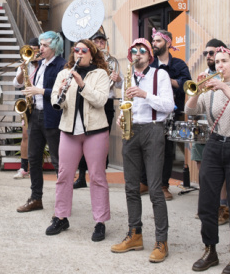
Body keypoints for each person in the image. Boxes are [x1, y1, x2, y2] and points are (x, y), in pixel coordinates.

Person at [186, 47, 230, 274]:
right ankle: (210, 250)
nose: (219, 66)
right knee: (207, 202)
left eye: (224, 61)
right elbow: (190, 110)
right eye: (217, 62)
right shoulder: (210, 92)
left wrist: (224, 87)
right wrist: (197, 91)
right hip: (214, 144)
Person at [110, 38, 175, 262]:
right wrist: (121, 116)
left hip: (154, 131)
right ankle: (134, 234)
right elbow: (127, 106)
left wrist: (144, 94)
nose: (137, 54)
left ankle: (161, 241)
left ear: (149, 55)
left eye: (142, 51)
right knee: (130, 187)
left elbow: (168, 106)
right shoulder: (129, 78)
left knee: (156, 189)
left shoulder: (160, 75)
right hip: (131, 131)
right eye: (134, 51)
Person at [46, 39, 112, 241]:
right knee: (64, 175)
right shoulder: (63, 74)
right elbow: (55, 100)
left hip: (96, 131)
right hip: (68, 131)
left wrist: (81, 84)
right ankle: (61, 217)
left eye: (84, 51)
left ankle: (100, 222)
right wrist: (62, 93)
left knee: (97, 176)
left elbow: (101, 100)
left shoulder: (100, 74)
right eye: (76, 50)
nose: (79, 53)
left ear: (92, 54)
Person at [17, 31, 66, 213]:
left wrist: (40, 91)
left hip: (52, 117)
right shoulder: (40, 64)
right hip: (35, 115)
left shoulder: (62, 65)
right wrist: (29, 93)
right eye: (41, 45)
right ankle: (36, 198)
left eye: (44, 45)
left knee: (57, 161)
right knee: (34, 159)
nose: (40, 48)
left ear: (54, 47)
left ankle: (62, 202)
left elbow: (62, 92)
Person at [146, 28, 191, 201]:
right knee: (149, 149)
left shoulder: (179, 64)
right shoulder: (150, 65)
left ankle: (164, 185)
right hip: (152, 113)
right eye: (154, 41)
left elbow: (187, 83)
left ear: (168, 43)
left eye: (158, 41)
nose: (154, 44)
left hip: (172, 113)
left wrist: (168, 80)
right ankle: (146, 182)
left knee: (166, 151)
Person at [195, 38, 230, 225]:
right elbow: (195, 104)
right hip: (202, 126)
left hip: (222, 130)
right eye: (207, 54)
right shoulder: (203, 75)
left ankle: (223, 207)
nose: (209, 57)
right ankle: (208, 204)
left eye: (212, 53)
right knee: (202, 167)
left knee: (222, 171)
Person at [74, 31, 121, 189]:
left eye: (102, 41)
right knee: (82, 135)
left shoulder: (112, 61)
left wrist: (118, 79)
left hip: (106, 101)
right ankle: (81, 175)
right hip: (87, 98)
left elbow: (120, 85)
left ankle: (100, 174)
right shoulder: (87, 62)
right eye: (97, 41)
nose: (100, 44)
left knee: (102, 139)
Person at [12, 37, 40, 179]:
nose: (34, 53)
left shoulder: (43, 64)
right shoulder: (25, 64)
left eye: (36, 50)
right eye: (31, 50)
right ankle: (23, 168)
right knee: (25, 135)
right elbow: (16, 84)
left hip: (41, 102)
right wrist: (22, 70)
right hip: (28, 104)